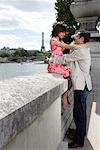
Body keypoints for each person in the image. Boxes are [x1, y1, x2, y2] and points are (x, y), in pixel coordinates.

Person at [50, 31, 92, 148]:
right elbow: (72, 47)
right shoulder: (83, 49)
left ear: (82, 39)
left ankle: (79, 141)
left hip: (81, 86)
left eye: (77, 37)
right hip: (84, 85)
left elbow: (66, 58)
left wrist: (51, 60)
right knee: (81, 113)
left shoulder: (80, 51)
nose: (74, 38)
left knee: (78, 114)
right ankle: (80, 134)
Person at [48, 23, 75, 108]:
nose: (64, 34)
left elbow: (68, 46)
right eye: (62, 32)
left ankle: (63, 96)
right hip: (54, 64)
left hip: (59, 64)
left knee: (70, 76)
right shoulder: (54, 40)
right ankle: (64, 98)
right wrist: (76, 41)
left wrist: (76, 41)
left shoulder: (59, 40)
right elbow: (67, 46)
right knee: (67, 75)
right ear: (58, 32)